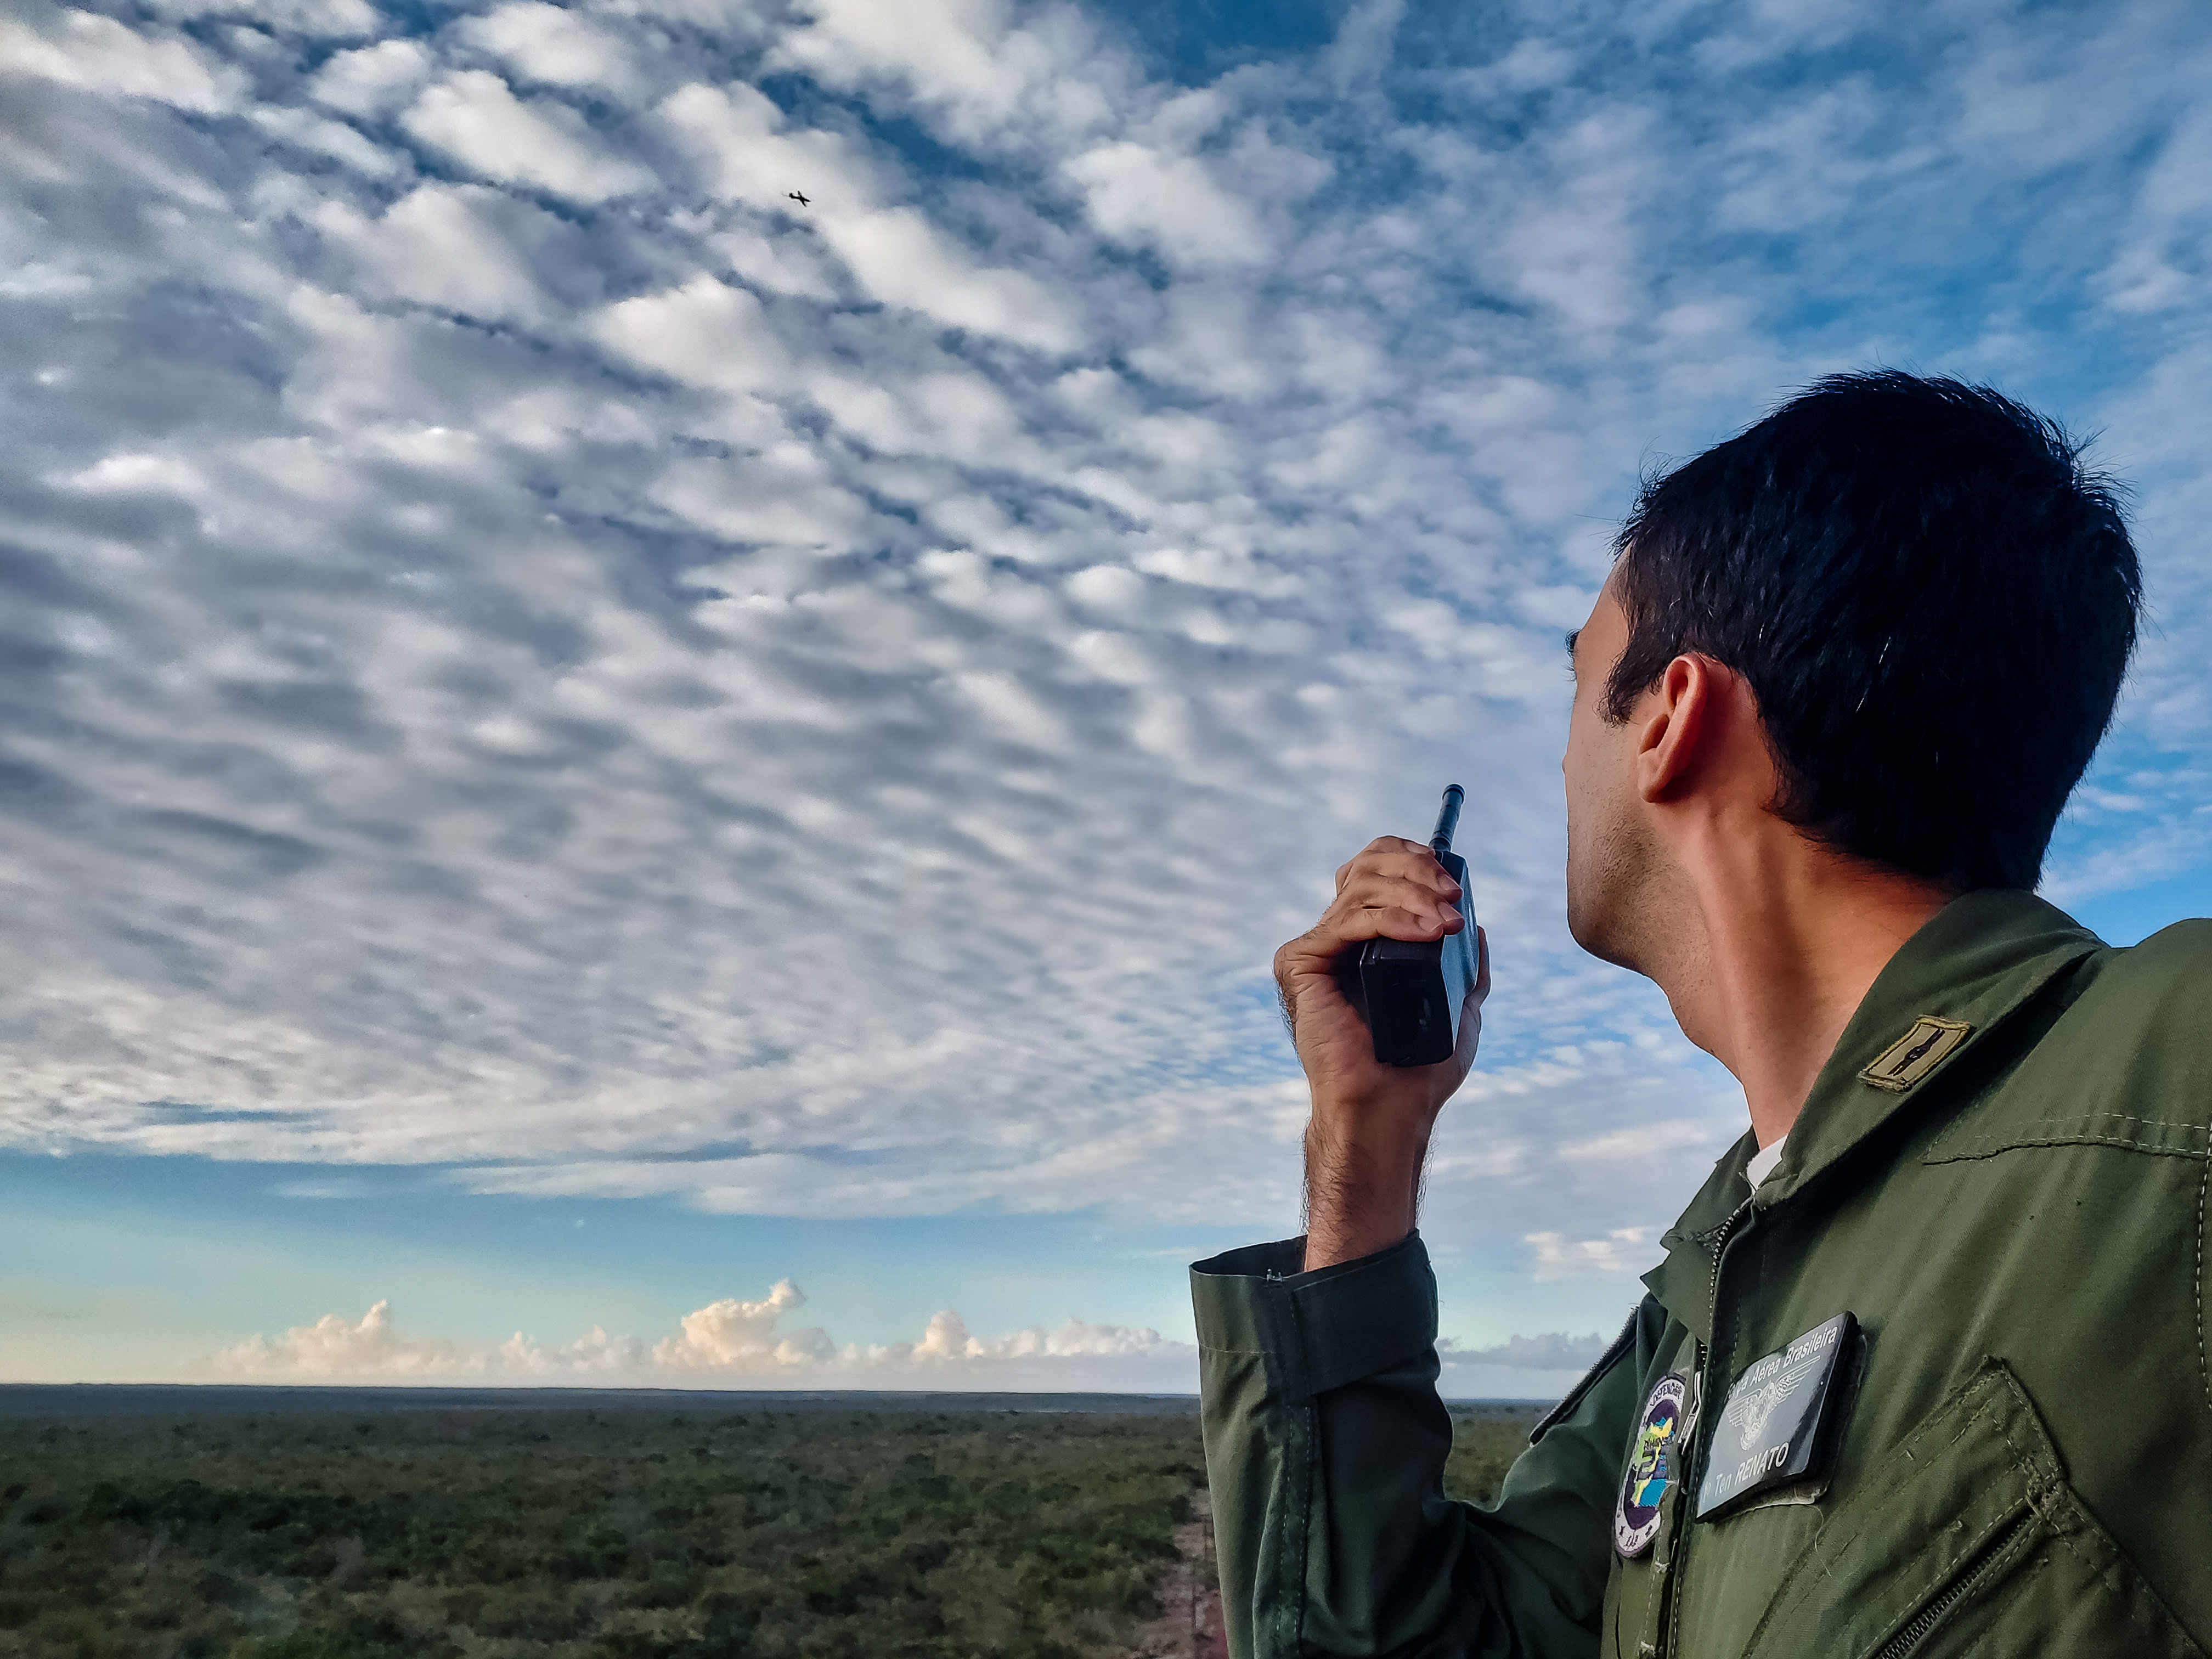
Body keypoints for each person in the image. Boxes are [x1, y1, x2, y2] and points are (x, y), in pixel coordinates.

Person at [1191, 372, 2210, 1658]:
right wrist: (1368, 1142)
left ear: (1671, 720)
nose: (1567, 759)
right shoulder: (1713, 1291)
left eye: (1580, 687)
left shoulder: (2176, 1068)